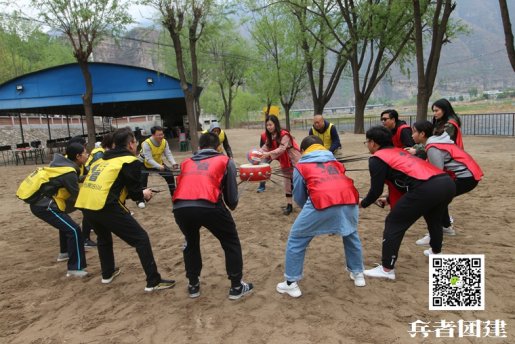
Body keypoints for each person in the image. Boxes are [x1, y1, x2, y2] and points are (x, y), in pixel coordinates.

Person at [75, 127, 175, 292]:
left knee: (103, 237)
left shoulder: (100, 160)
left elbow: (113, 186)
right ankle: (153, 281)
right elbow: (135, 193)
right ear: (130, 144)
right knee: (141, 239)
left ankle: (107, 273)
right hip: (105, 206)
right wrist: (143, 194)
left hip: (86, 204)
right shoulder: (130, 161)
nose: (135, 145)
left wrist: (138, 193)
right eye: (135, 142)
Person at [360, 126, 455, 280]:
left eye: (367, 142)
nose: (367, 145)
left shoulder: (377, 159)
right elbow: (404, 181)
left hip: (427, 187)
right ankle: (436, 253)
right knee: (434, 219)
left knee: (394, 221)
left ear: (373, 143)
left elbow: (375, 190)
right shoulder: (400, 151)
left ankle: (386, 269)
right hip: (445, 183)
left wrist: (363, 203)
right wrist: (389, 199)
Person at [276, 136, 366, 298]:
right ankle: (358, 274)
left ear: (303, 151)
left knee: (296, 238)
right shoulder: (336, 162)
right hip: (349, 199)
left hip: (321, 201)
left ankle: (290, 283)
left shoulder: (301, 166)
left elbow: (299, 196)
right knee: (351, 234)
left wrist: (309, 212)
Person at [172, 132, 253, 300]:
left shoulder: (186, 162)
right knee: (230, 241)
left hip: (181, 207)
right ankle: (236, 286)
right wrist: (233, 202)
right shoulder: (225, 161)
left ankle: (193, 284)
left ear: (199, 148)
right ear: (218, 147)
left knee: (191, 242)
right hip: (209, 206)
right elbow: (231, 200)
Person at [16, 143, 89, 277]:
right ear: (78, 157)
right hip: (46, 206)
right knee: (74, 230)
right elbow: (76, 196)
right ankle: (75, 268)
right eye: (85, 153)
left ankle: (64, 253)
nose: (87, 155)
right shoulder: (69, 172)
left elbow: (68, 180)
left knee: (67, 226)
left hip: (42, 204)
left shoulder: (61, 165)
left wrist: (84, 177)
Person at [410, 121, 483, 246]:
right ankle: (446, 227)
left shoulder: (433, 147)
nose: (411, 135)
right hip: (470, 175)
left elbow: (437, 173)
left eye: (414, 132)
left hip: (466, 178)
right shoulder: (437, 142)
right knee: (441, 199)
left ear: (422, 134)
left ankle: (434, 235)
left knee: (435, 201)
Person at [260, 115, 302, 215]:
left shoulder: (284, 134)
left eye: (270, 124)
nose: (269, 127)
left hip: (294, 160)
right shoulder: (270, 136)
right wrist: (257, 152)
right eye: (267, 125)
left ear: (276, 124)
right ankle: (289, 205)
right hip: (284, 161)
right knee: (287, 183)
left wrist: (268, 154)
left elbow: (282, 149)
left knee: (299, 181)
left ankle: (306, 203)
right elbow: (265, 147)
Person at [139, 126, 179, 198]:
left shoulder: (164, 142)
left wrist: (173, 163)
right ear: (153, 135)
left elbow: (168, 154)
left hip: (158, 162)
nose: (161, 136)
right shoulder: (146, 143)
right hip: (144, 163)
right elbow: (148, 159)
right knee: (142, 181)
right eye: (159, 135)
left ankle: (173, 194)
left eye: (162, 134)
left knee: (169, 175)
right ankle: (141, 198)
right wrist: (158, 166)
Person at [256, 129, 268, 193]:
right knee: (262, 167)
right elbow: (262, 147)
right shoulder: (263, 135)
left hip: (279, 152)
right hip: (267, 154)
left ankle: (291, 184)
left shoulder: (280, 134)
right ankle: (262, 186)